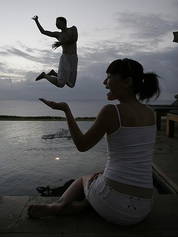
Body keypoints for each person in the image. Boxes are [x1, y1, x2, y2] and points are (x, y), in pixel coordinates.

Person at [28, 58, 160, 226]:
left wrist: (66, 110)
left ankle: (57, 205)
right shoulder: (150, 113)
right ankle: (84, 205)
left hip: (114, 205)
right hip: (143, 207)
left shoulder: (111, 111)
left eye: (109, 77)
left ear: (127, 82)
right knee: (102, 175)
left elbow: (82, 145)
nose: (104, 82)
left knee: (84, 178)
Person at [32, 15, 78, 88]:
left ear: (64, 23)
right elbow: (43, 31)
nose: (56, 24)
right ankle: (44, 75)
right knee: (60, 84)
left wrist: (61, 43)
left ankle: (53, 73)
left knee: (71, 84)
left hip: (74, 58)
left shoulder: (73, 29)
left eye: (58, 23)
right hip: (65, 58)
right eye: (56, 23)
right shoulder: (58, 34)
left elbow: (74, 39)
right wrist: (36, 21)